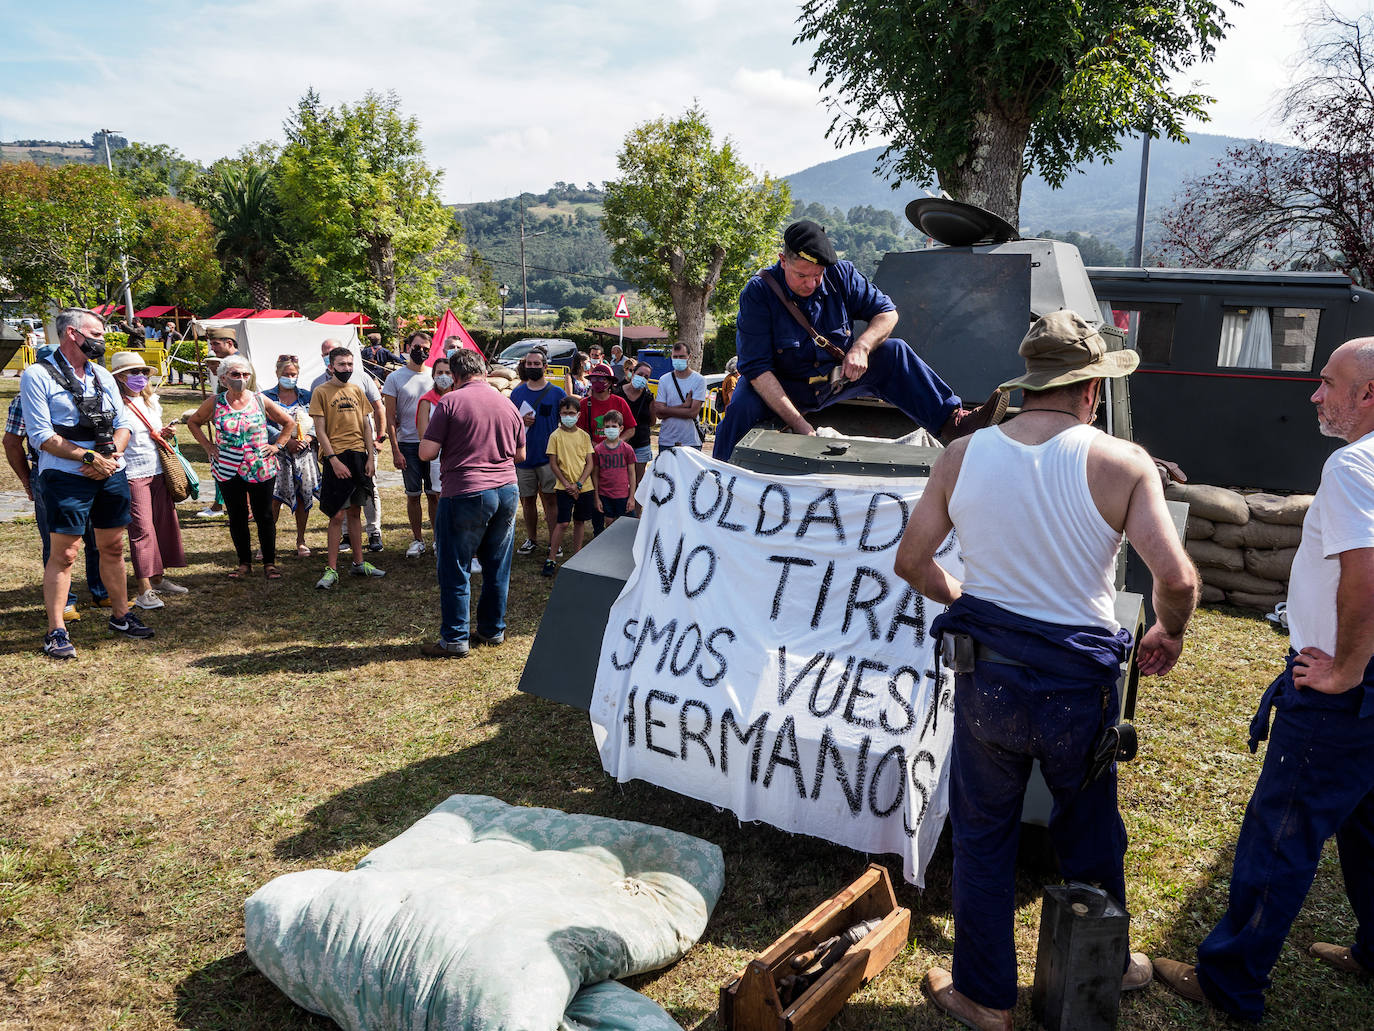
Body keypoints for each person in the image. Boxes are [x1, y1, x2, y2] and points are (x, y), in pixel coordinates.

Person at [892, 310, 1198, 1031]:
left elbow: (912, 562)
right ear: (1091, 388)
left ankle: (986, 997)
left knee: (984, 836)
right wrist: (1170, 631)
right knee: (1090, 828)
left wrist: (961, 596)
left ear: (1029, 384)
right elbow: (1177, 579)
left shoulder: (962, 454)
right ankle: (1108, 966)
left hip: (987, 682)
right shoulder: (1122, 463)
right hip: (1077, 690)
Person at [1152, 336, 1374, 1023]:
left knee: (1280, 833)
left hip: (1343, 694)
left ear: (1367, 396)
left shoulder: (1353, 467)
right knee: (1368, 829)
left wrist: (1344, 667)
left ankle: (1229, 978)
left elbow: (1366, 573)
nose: (1315, 394)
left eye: (1329, 382)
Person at [713, 219, 1009, 462]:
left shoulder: (841, 274)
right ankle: (716, 479)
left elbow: (887, 313)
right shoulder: (758, 293)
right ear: (782, 260)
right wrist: (802, 427)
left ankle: (955, 424)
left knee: (894, 352)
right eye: (802, 275)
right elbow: (758, 371)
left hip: (835, 378)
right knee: (740, 408)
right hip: (780, 385)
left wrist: (862, 348)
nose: (811, 283)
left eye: (817, 275)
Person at [19, 307, 154, 658]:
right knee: (65, 553)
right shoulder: (37, 375)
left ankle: (122, 615)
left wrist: (109, 461)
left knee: (112, 547)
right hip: (65, 475)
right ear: (72, 334)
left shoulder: (102, 375)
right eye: (95, 333)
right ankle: (56, 630)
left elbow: (123, 423)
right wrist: (89, 458)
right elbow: (41, 436)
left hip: (110, 472)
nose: (102, 339)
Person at [418, 349, 525, 658]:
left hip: (465, 490)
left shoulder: (450, 401)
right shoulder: (507, 403)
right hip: (506, 489)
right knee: (497, 565)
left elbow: (426, 452)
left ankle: (454, 638)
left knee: (455, 566)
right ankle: (493, 630)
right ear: (483, 371)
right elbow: (521, 455)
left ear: (454, 375)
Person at [188, 354, 295, 581]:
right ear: (224, 377)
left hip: (260, 466)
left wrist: (278, 445)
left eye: (245, 374)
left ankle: (269, 563)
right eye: (236, 374)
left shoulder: (259, 400)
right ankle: (244, 563)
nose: (241, 379)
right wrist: (208, 446)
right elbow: (193, 422)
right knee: (237, 516)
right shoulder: (216, 402)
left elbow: (289, 422)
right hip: (227, 467)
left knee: (264, 515)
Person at [4, 390, 108, 621]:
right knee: (58, 542)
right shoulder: (26, 398)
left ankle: (102, 592)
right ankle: (64, 603)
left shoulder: (92, 390)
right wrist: (27, 479)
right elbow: (11, 442)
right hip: (50, 474)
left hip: (92, 471)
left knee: (99, 536)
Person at [111, 351, 188, 609]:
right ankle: (144, 589)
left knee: (164, 524)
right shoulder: (114, 405)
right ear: (120, 376)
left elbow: (150, 431)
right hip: (132, 473)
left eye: (144, 372)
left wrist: (164, 432)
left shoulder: (152, 401)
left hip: (158, 470)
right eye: (135, 372)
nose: (141, 377)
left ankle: (158, 578)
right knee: (142, 530)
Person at [310, 346, 384, 587]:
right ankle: (331, 569)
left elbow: (366, 425)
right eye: (342, 365)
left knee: (355, 511)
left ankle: (358, 564)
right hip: (336, 457)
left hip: (359, 456)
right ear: (331, 366)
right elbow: (320, 430)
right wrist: (333, 460)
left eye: (350, 364)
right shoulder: (321, 391)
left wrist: (370, 457)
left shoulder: (357, 390)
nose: (347, 369)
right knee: (337, 514)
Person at [383, 333, 437, 558]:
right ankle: (417, 539)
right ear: (407, 347)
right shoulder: (394, 378)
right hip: (408, 445)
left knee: (435, 493)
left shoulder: (437, 376)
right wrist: (395, 450)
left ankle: (438, 539)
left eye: (425, 348)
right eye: (417, 347)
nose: (421, 351)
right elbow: (389, 418)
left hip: (434, 444)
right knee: (413, 494)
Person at [510, 346, 566, 557]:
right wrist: (519, 421)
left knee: (551, 500)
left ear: (545, 366)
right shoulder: (517, 393)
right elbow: (508, 424)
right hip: (524, 456)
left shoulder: (557, 393)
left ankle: (555, 541)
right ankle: (531, 538)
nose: (532, 367)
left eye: (536, 364)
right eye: (529, 364)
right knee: (528, 500)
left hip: (549, 457)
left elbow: (566, 424)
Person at [262, 355, 318, 558]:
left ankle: (301, 540)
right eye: (286, 374)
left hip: (303, 454)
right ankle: (267, 543)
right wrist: (284, 440)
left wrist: (309, 438)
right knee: (273, 499)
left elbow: (318, 421)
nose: (290, 377)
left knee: (304, 496)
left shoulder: (307, 396)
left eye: (293, 374)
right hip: (277, 454)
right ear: (277, 374)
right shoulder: (266, 397)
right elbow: (263, 425)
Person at [544, 395, 595, 577]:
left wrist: (579, 483)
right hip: (563, 487)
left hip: (584, 487)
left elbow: (589, 462)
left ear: (578, 415)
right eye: (565, 413)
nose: (568, 416)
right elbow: (553, 463)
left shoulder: (584, 436)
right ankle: (551, 558)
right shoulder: (555, 436)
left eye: (571, 413)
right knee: (563, 522)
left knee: (580, 521)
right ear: (560, 414)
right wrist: (567, 484)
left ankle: (577, 555)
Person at [652, 341, 707, 452]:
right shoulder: (664, 379)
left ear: (689, 357)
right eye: (675, 357)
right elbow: (658, 413)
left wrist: (666, 411)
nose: (678, 360)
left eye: (681, 356)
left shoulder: (699, 380)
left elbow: (693, 413)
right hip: (666, 440)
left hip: (691, 441)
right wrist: (684, 406)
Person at [416, 356, 455, 495]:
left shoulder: (460, 398)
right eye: (439, 373)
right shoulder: (426, 401)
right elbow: (423, 435)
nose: (444, 376)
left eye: (448, 372)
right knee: (441, 495)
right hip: (438, 458)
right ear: (433, 375)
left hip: (460, 455)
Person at [615, 359, 656, 488]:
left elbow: (652, 421)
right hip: (621, 443)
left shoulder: (648, 396)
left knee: (639, 483)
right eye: (640, 374)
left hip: (641, 444)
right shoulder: (618, 393)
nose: (642, 378)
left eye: (646, 377)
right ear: (633, 373)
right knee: (620, 481)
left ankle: (635, 508)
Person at [592, 410, 637, 527]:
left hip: (623, 494)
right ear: (603, 428)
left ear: (621, 428)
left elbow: (632, 474)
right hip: (604, 495)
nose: (610, 429)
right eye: (607, 426)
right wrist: (596, 497)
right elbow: (595, 475)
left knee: (627, 525)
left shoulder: (627, 449)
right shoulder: (598, 449)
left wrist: (632, 497)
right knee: (609, 522)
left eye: (614, 426)